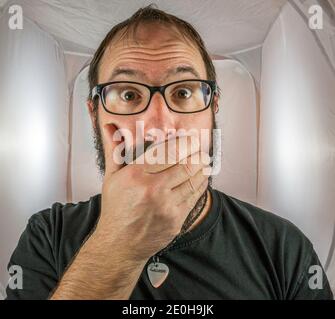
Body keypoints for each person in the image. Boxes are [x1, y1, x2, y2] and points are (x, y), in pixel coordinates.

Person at [6, 5, 333, 300]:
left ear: (213, 107)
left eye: (183, 91)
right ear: (95, 114)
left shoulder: (284, 247)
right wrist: (118, 247)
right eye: (129, 94)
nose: (159, 124)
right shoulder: (48, 234)